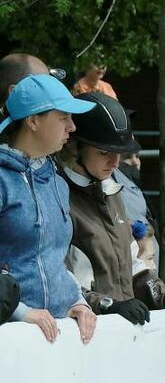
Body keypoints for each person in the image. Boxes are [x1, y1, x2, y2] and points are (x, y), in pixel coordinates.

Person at [58, 92, 165, 324]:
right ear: (75, 147)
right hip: (80, 334)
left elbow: (133, 265)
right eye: (103, 152)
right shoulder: (58, 197)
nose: (115, 161)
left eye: (119, 153)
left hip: (121, 332)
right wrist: (107, 306)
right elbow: (59, 278)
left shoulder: (111, 192)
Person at [0, 73, 98, 343]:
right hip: (10, 341)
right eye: (64, 117)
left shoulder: (57, 182)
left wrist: (76, 300)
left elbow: (53, 259)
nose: (73, 127)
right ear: (32, 121)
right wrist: (20, 312)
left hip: (56, 337)